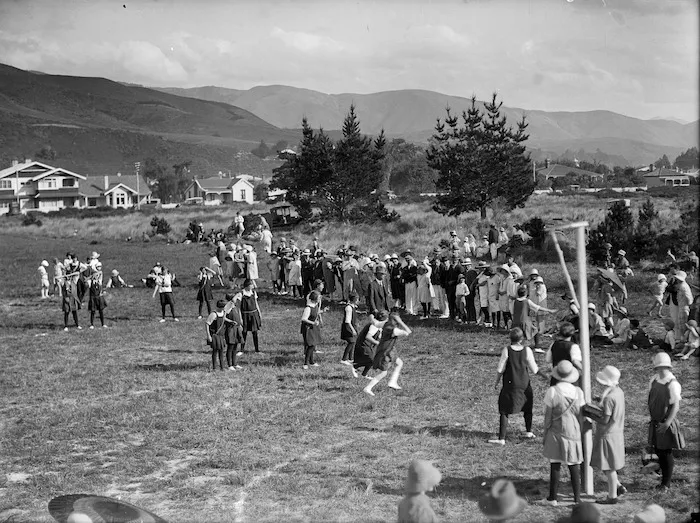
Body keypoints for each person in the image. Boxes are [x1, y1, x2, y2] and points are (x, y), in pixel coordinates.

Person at [543, 360, 585, 506]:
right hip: (573, 431)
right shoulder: (578, 392)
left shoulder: (552, 391)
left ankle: (552, 497)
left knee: (555, 464)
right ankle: (577, 498)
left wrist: (545, 430)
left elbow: (548, 416)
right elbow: (580, 415)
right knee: (574, 465)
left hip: (555, 431)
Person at [488, 327, 539, 446]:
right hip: (524, 384)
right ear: (522, 339)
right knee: (527, 406)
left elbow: (501, 368)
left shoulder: (507, 350)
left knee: (504, 410)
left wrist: (496, 381)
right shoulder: (527, 350)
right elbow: (534, 369)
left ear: (510, 338)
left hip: (510, 384)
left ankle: (502, 438)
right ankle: (529, 431)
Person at [647, 352, 685, 490]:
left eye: (662, 367)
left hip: (665, 422)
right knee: (658, 450)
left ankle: (666, 483)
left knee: (665, 452)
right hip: (656, 421)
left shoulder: (672, 383)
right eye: (659, 367)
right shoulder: (654, 380)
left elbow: (676, 405)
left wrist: (667, 422)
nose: (660, 369)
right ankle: (660, 473)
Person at [590, 365, 626, 505]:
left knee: (608, 468)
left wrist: (591, 414)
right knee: (609, 464)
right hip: (616, 433)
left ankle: (612, 496)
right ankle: (618, 486)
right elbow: (613, 406)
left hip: (607, 434)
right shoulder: (618, 392)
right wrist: (601, 400)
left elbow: (605, 419)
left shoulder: (609, 398)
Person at [363, 313, 412, 396]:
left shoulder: (385, 324)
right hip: (386, 352)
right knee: (383, 373)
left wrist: (371, 318)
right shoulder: (394, 330)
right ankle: (368, 388)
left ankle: (392, 382)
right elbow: (408, 332)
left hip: (386, 349)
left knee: (399, 363)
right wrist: (401, 322)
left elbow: (376, 323)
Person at [351, 311, 387, 378]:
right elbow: (368, 337)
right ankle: (355, 366)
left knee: (373, 359)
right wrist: (377, 343)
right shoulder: (374, 326)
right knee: (372, 359)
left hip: (369, 345)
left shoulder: (378, 324)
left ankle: (364, 375)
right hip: (363, 344)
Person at [301, 291, 322, 369]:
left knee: (313, 344)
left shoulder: (315, 306)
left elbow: (316, 313)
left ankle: (311, 362)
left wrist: (323, 311)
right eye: (319, 298)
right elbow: (304, 319)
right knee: (310, 345)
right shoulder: (308, 308)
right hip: (308, 328)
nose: (320, 299)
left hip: (313, 327)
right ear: (315, 298)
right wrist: (313, 323)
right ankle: (305, 363)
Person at [240, 279, 262, 353]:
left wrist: (259, 313)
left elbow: (256, 304)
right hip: (245, 315)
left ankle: (257, 350)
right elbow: (239, 307)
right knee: (244, 332)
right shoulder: (241, 293)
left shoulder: (253, 293)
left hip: (253, 314)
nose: (253, 286)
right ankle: (241, 350)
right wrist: (240, 318)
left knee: (255, 332)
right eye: (252, 284)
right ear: (248, 285)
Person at [206, 300, 228, 371]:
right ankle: (214, 367)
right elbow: (207, 324)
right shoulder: (213, 314)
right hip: (215, 335)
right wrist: (209, 336)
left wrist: (231, 321)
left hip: (221, 335)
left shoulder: (223, 313)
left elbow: (224, 319)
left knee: (221, 351)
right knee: (215, 351)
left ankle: (222, 367)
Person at [224, 293, 243, 370]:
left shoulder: (235, 307)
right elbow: (224, 317)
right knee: (230, 347)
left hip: (237, 328)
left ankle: (234, 363)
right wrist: (230, 321)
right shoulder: (228, 306)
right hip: (230, 329)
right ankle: (229, 365)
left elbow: (239, 317)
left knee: (235, 347)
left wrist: (241, 325)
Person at [340, 293, 359, 365]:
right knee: (351, 342)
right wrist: (353, 330)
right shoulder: (349, 308)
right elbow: (347, 321)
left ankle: (350, 358)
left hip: (352, 326)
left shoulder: (353, 307)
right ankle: (344, 359)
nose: (358, 300)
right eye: (357, 299)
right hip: (348, 327)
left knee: (353, 342)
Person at [402, 251, 418, 315]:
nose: (408, 261)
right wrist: (408, 276)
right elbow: (404, 275)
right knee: (408, 296)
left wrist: (409, 275)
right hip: (407, 283)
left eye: (409, 260)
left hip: (412, 282)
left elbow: (414, 275)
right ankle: (409, 310)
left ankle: (415, 310)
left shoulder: (414, 267)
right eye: (407, 260)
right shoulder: (405, 268)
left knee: (414, 296)